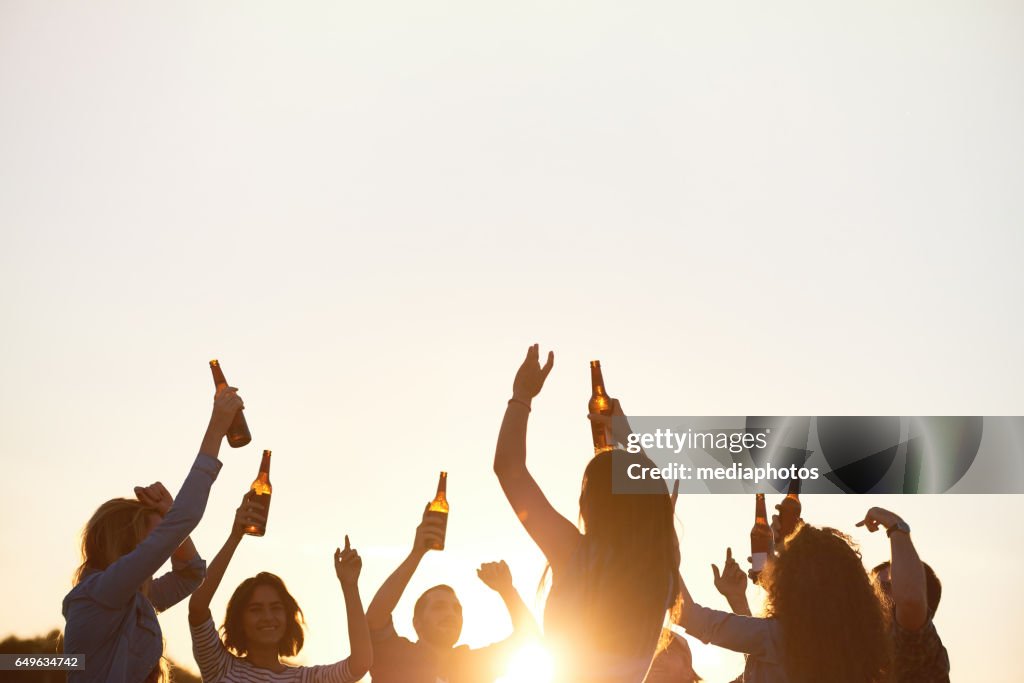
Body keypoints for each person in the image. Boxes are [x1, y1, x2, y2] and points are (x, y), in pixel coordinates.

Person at [493, 344, 682, 682]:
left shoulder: (577, 556)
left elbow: (509, 469)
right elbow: (655, 507)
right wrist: (625, 437)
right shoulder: (661, 574)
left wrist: (521, 396)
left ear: (591, 506)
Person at [62, 385, 244, 683]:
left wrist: (171, 510)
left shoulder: (134, 599)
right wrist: (217, 428)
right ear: (127, 543)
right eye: (158, 538)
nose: (165, 548)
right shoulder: (101, 593)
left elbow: (191, 575)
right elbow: (183, 522)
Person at [187, 491, 372, 682]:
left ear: (289, 616)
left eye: (276, 608)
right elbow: (197, 608)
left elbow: (361, 663)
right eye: (255, 609)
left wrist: (350, 587)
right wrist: (235, 537)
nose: (268, 617)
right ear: (239, 619)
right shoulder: (221, 667)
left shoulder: (305, 678)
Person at [677, 524, 891, 683]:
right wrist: (738, 599)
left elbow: (688, 614)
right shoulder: (853, 643)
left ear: (797, 580)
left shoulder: (781, 635)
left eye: (783, 564)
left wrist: (664, 542)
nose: (776, 570)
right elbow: (768, 653)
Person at [366, 508, 538, 683]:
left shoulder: (474, 666)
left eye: (457, 609)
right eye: (439, 607)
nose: (451, 614)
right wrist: (416, 554)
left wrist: (508, 591)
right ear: (417, 623)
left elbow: (530, 639)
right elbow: (374, 619)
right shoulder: (396, 658)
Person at [857, 506, 950, 683]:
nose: (872, 595)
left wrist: (895, 525)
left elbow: (910, 599)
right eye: (872, 587)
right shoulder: (860, 656)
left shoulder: (916, 647)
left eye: (885, 587)